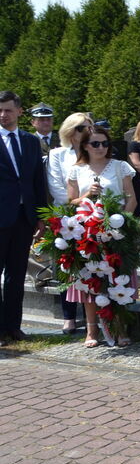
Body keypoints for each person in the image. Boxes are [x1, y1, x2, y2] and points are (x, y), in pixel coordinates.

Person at [65, 125, 136, 348]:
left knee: (118, 279)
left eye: (105, 143)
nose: (101, 148)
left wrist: (123, 222)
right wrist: (88, 195)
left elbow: (131, 198)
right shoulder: (77, 169)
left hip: (115, 230)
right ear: (85, 145)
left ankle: (120, 326)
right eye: (95, 143)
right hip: (87, 232)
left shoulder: (119, 166)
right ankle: (91, 329)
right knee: (90, 281)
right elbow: (72, 201)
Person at [0, 91, 47, 346]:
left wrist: (40, 216)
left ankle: (13, 327)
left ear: (19, 111)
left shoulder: (30, 142)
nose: (3, 115)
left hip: (23, 217)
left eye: (7, 110)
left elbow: (37, 180)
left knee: (17, 275)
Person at [46, 112, 93, 334]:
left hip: (93, 215)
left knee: (93, 265)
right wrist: (82, 199)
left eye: (90, 127)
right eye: (83, 128)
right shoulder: (57, 155)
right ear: (71, 132)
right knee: (68, 265)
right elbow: (57, 188)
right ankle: (69, 316)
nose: (88, 132)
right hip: (67, 216)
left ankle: (94, 316)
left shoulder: (96, 151)